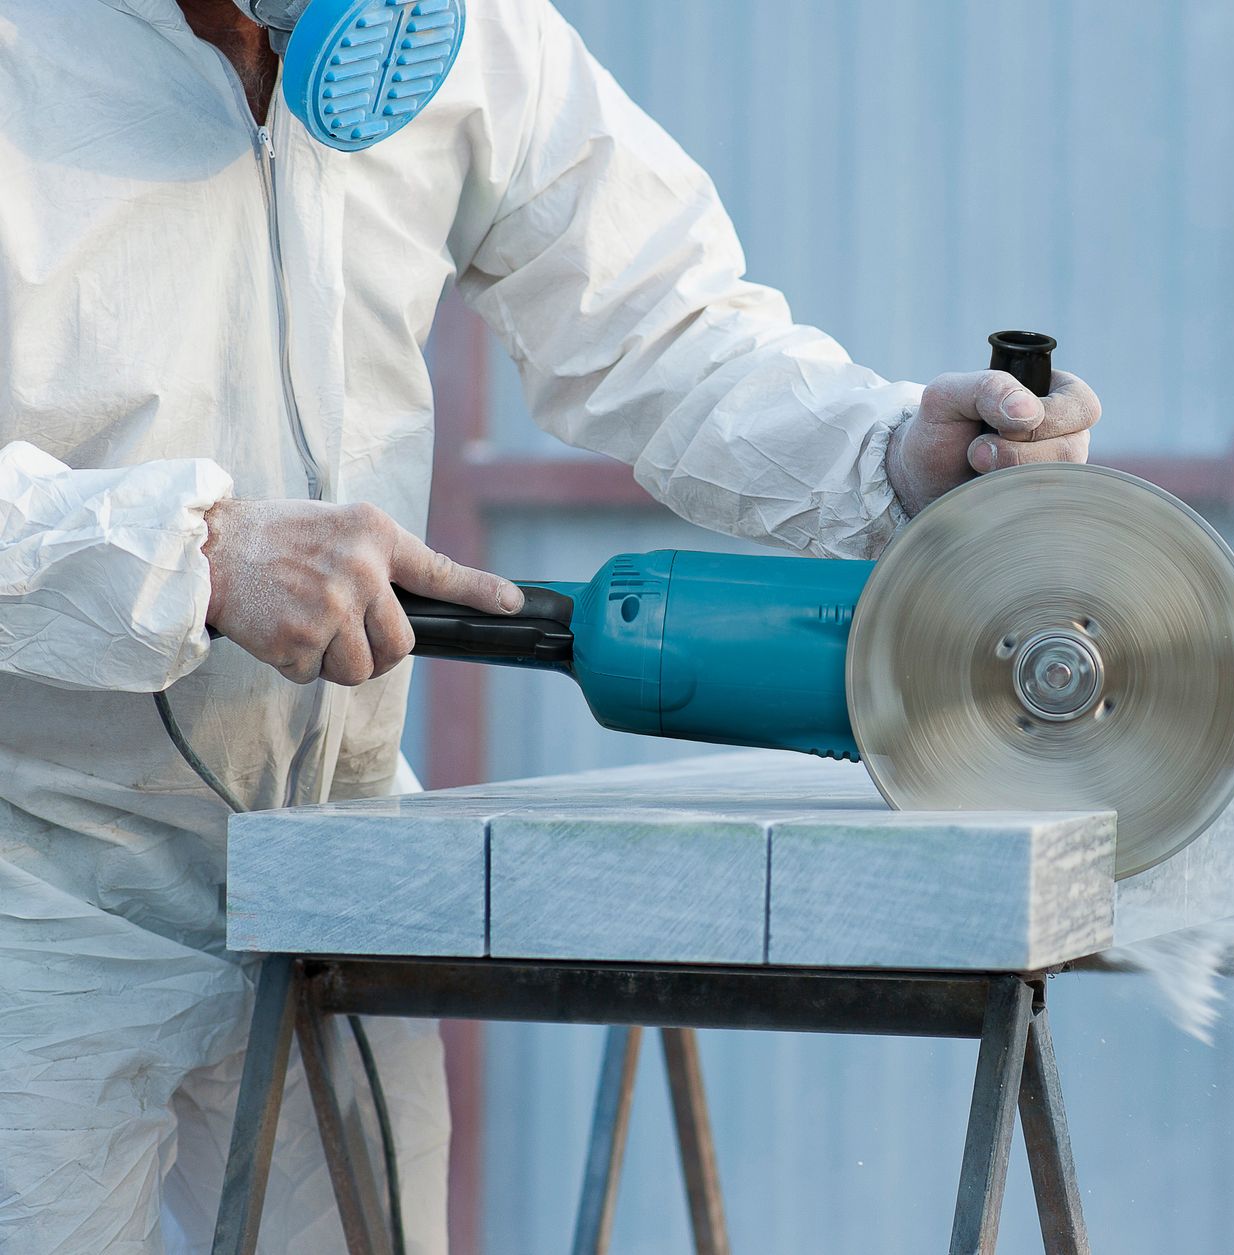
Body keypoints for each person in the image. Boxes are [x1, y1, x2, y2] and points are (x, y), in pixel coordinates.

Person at [0, 1, 1101, 1250]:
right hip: (38, 882)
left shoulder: (460, 31)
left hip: (329, 852)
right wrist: (191, 552)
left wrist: (886, 451)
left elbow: (659, 327)